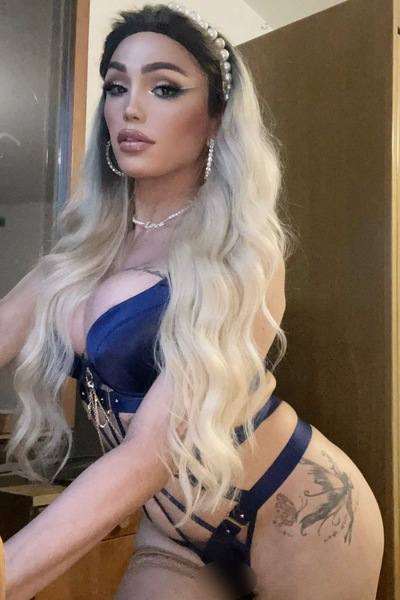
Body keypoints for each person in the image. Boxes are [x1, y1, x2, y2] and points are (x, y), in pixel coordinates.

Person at [0, 4, 384, 599]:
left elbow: (154, 450)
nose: (130, 108)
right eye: (117, 87)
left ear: (215, 118)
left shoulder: (241, 256)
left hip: (301, 516)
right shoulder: (77, 258)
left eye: (164, 88)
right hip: (174, 531)